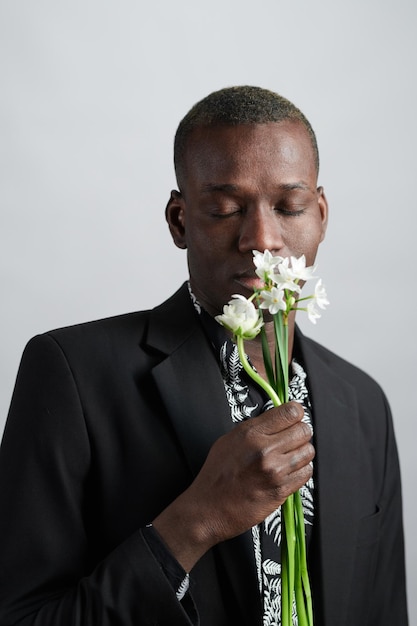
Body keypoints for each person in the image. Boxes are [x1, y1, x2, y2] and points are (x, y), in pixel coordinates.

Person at [0, 86, 408, 626]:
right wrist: (196, 521)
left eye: (290, 207)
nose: (263, 239)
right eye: (225, 209)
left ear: (322, 214)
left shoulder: (363, 403)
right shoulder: (71, 374)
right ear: (179, 220)